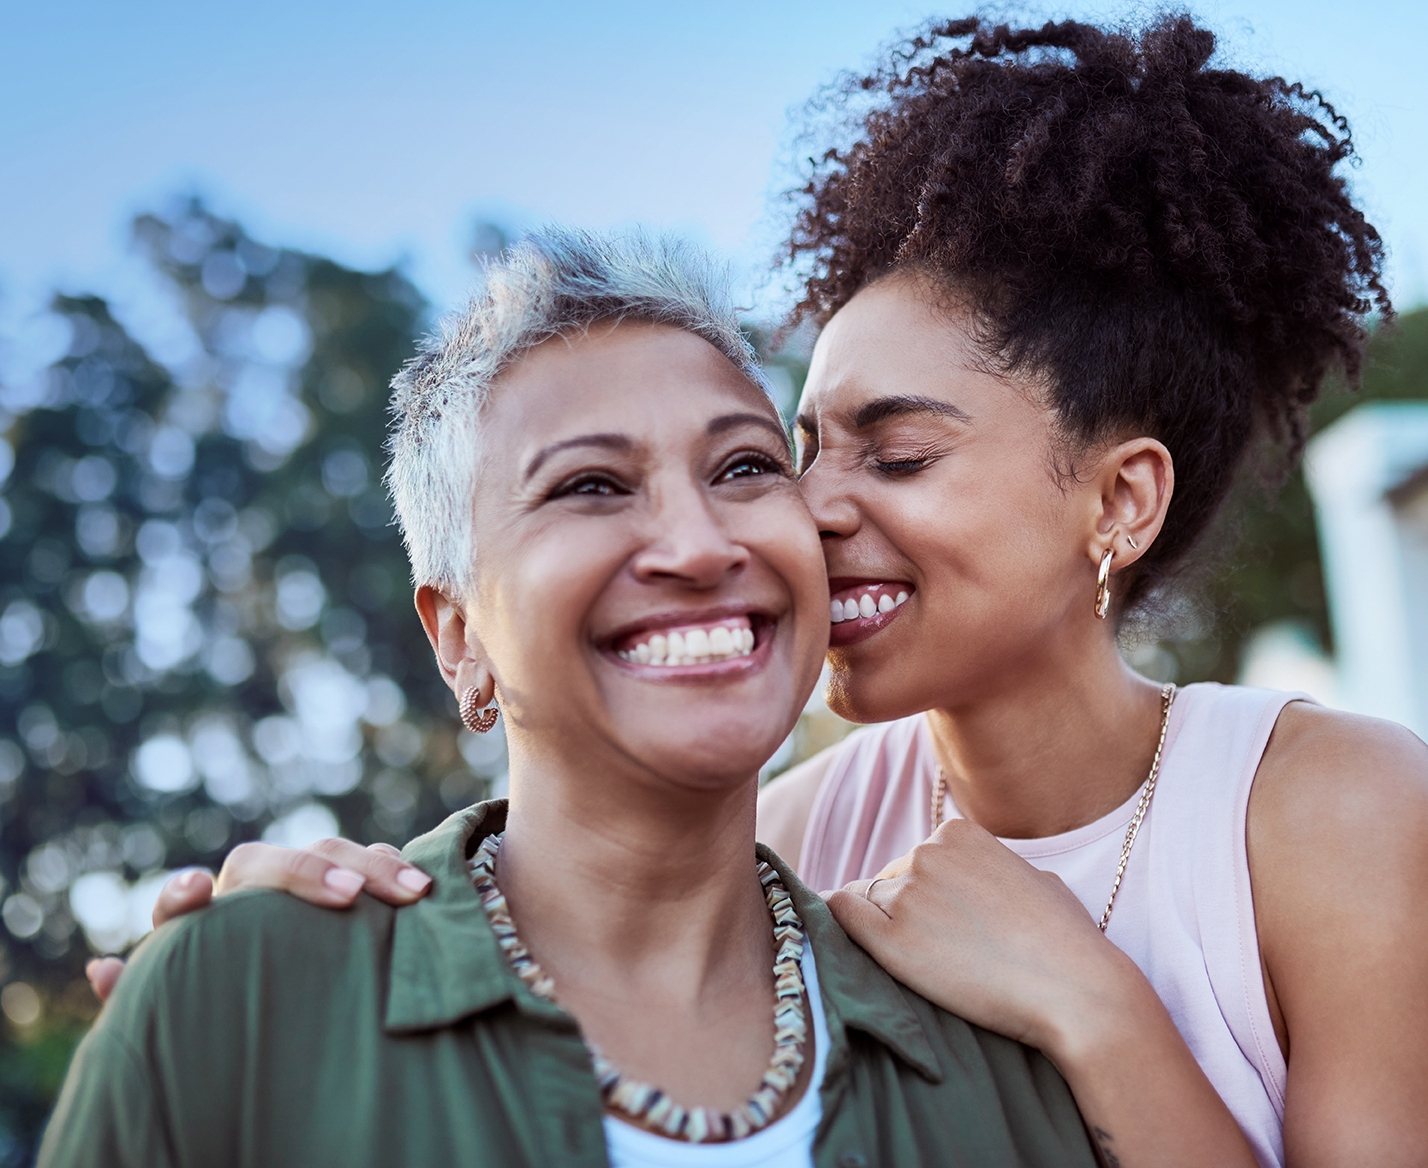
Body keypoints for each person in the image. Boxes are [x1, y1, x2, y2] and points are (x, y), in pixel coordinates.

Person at [91, 12, 1428, 1168]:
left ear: (1118, 500)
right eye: (800, 451)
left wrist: (1097, 1012)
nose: (808, 511)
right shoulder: (804, 835)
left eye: (897, 454)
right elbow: (558, 876)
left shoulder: (1333, 815)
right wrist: (279, 925)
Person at [44, 229, 1097, 1167]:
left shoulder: (983, 1048)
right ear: (460, 636)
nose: (699, 543)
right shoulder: (240, 1004)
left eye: (742, 466)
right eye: (590, 485)